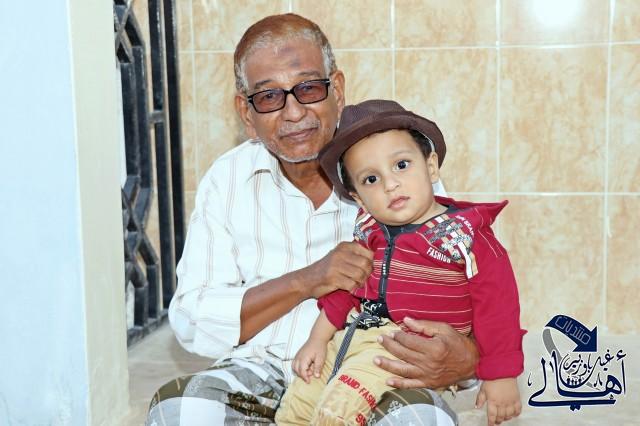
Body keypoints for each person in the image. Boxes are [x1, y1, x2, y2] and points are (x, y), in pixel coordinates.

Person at [146, 14, 478, 426]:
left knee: (419, 418)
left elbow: (465, 294)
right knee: (180, 410)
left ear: (336, 89)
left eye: (308, 88)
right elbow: (192, 319)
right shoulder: (228, 179)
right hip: (259, 374)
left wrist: (468, 358)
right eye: (269, 96)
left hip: (369, 371)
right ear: (246, 113)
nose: (293, 113)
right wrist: (308, 280)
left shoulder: (395, 171)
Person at [275, 99, 526, 426]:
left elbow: (498, 308)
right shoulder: (369, 233)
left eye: (401, 165)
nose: (390, 184)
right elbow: (345, 291)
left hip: (408, 347)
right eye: (371, 179)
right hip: (354, 335)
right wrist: (317, 340)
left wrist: (501, 375)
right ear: (358, 198)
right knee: (297, 404)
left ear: (431, 166)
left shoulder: (465, 237)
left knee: (337, 410)